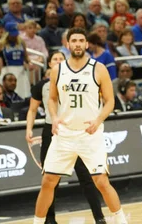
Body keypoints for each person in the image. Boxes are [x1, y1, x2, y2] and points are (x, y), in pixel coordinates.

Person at [32, 28, 127, 224]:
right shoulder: (58, 70)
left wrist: (98, 120)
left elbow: (110, 101)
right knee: (48, 182)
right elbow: (51, 99)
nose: (77, 43)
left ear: (86, 44)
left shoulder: (98, 68)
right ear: (68, 45)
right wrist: (54, 117)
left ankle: (121, 220)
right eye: (73, 40)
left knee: (101, 181)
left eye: (80, 40)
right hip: (64, 134)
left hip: (90, 134)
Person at [26, 51, 105, 224]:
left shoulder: (80, 79)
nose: (58, 61)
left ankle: (99, 217)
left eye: (61, 58)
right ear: (49, 64)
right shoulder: (42, 85)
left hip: (76, 131)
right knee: (50, 180)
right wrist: (29, 129)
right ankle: (50, 219)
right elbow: (32, 110)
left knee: (87, 176)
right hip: (52, 132)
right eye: (54, 59)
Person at [0, 22, 32, 99]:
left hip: (21, 71)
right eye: (12, 34)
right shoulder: (1, 43)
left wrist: (29, 63)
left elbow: (26, 57)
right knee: (9, 92)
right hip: (8, 70)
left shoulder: (21, 42)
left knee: (24, 93)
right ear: (7, 33)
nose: (14, 36)